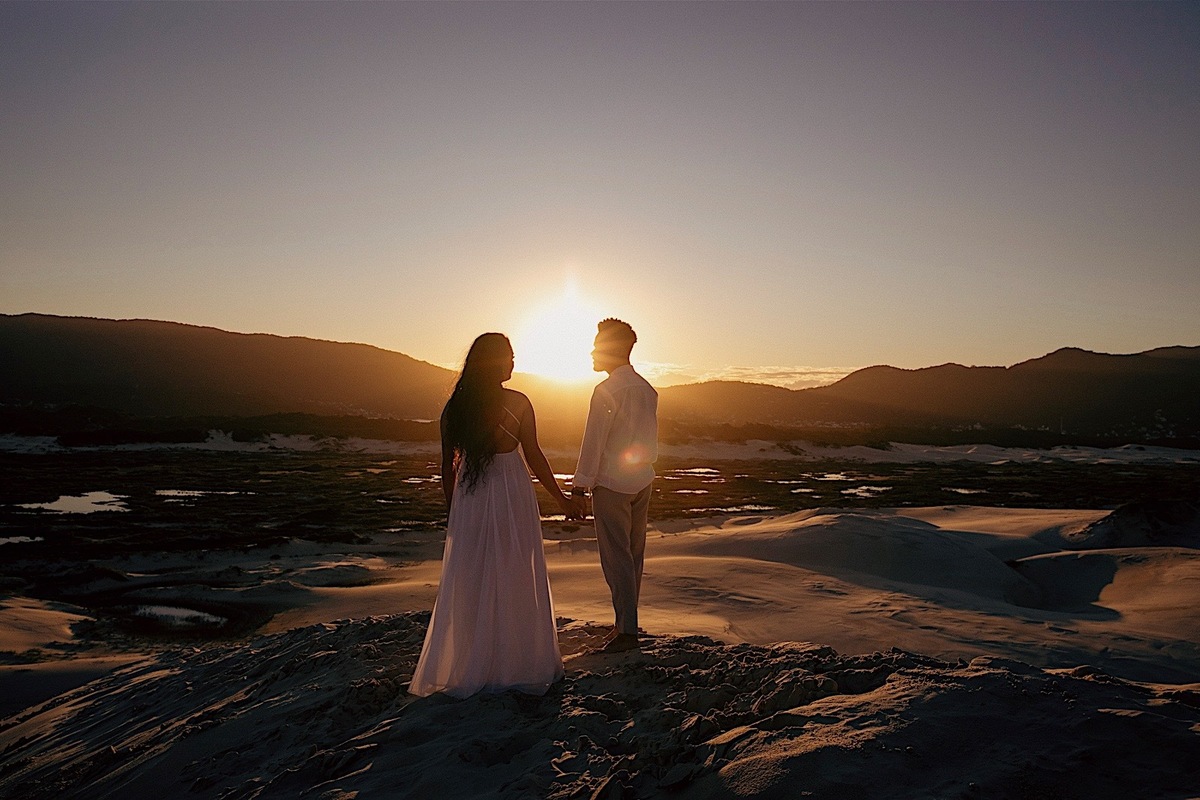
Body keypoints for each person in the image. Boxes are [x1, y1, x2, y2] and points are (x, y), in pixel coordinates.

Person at [409, 333, 581, 698]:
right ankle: (516, 661)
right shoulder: (518, 403)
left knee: (475, 573)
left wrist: (453, 511)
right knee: (516, 567)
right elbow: (533, 455)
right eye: (509, 357)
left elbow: (447, 467)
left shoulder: (455, 408)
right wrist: (561, 499)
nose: (514, 364)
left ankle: (476, 661)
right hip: (510, 490)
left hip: (471, 495)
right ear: (493, 362)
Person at [572, 319, 658, 653]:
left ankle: (627, 630)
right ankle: (627, 624)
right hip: (642, 480)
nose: (593, 351)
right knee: (633, 556)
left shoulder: (607, 391)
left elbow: (593, 441)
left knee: (617, 557)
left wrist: (580, 487)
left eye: (597, 344)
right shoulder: (647, 389)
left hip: (612, 484)